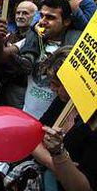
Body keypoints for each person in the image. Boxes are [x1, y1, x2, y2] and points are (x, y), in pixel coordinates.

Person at [0, 0, 81, 119]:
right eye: (42, 15)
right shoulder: (33, 39)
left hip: (53, 126)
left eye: (50, 17)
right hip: (27, 119)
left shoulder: (77, 46)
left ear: (66, 21)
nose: (43, 21)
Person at [31, 46, 97, 191]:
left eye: (56, 84)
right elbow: (33, 139)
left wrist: (58, 153)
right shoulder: (62, 102)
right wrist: (56, 163)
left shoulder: (93, 126)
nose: (52, 88)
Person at [0, 1, 38, 108]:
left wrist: (7, 52)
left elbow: (25, 67)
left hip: (20, 92)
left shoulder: (36, 38)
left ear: (35, 17)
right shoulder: (11, 35)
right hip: (4, 88)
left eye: (25, 13)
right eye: (18, 13)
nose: (20, 16)